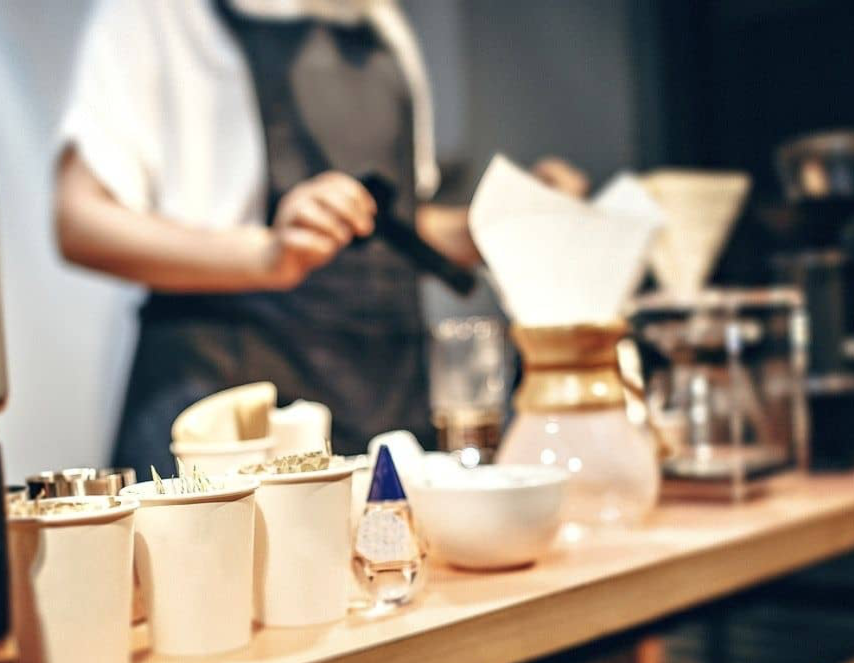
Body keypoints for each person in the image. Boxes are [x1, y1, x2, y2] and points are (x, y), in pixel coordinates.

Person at [55, 0, 587, 473]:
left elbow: (391, 225)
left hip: (381, 396)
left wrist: (503, 222)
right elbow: (79, 218)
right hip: (226, 403)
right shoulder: (159, 13)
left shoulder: (378, 20)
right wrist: (264, 255)